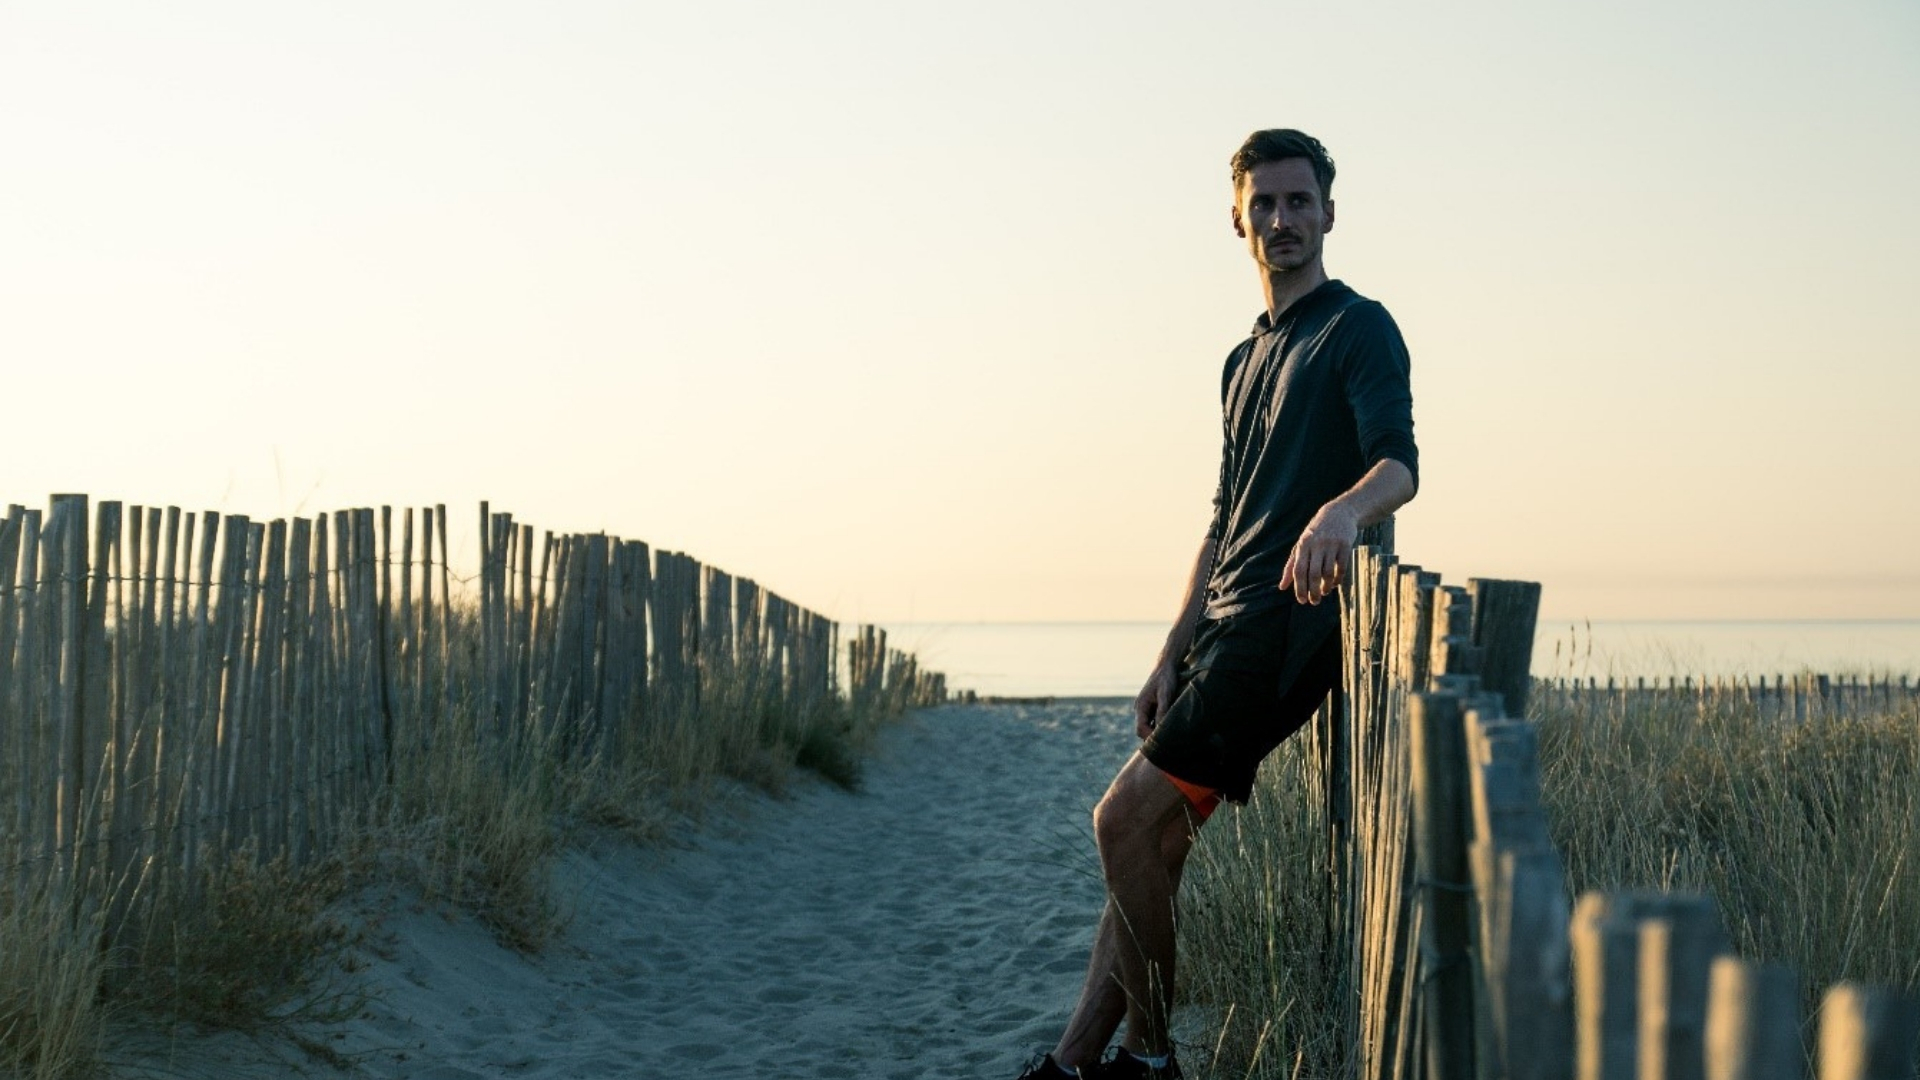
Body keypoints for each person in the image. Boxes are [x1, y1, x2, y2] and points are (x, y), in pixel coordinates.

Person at [1015, 129, 1419, 1080]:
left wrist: (1341, 511)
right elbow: (1221, 517)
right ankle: (1075, 1063)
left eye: (1300, 202)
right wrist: (1168, 652)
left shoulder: (1358, 328)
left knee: (1120, 823)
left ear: (1329, 213)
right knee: (1149, 851)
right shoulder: (1243, 362)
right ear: (1238, 218)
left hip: (1281, 634)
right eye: (1265, 205)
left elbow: (1397, 465)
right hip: (1218, 633)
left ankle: (1149, 1058)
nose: (1283, 220)